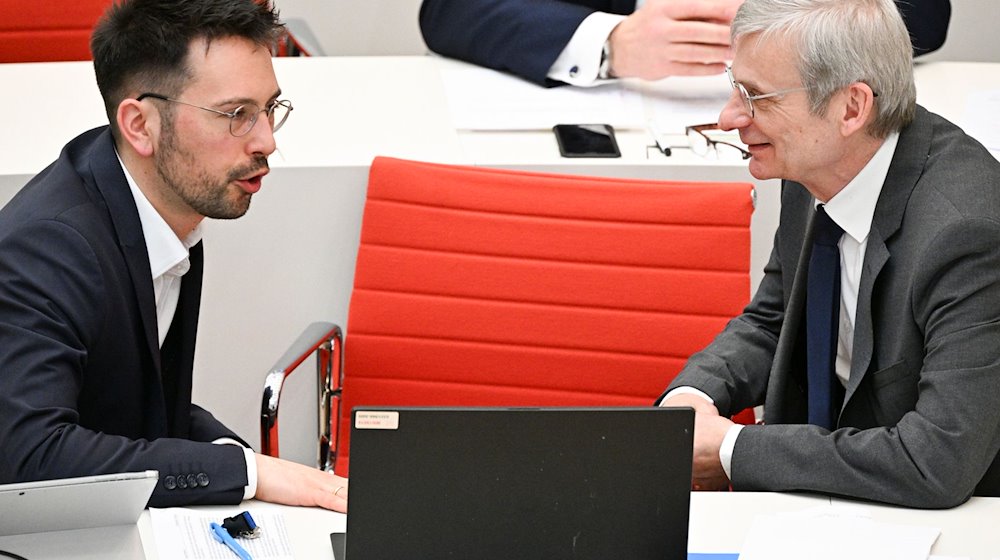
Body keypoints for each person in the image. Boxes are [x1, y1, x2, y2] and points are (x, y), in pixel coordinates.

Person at [0, 0, 348, 511]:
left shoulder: (165, 208)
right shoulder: (52, 248)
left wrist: (246, 463)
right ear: (140, 125)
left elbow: (144, 407)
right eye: (236, 115)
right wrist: (249, 473)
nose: (267, 141)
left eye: (269, 108)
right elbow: (28, 457)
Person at [657, 0, 1000, 509]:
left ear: (851, 108)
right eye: (735, 85)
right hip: (823, 493)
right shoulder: (814, 162)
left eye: (757, 97)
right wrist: (693, 400)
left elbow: (938, 462)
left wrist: (731, 449)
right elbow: (773, 320)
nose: (730, 117)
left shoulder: (967, 233)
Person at [418, 0, 951, 87]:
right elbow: (450, 10)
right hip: (619, 124)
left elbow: (924, 14)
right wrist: (609, 42)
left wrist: (791, 17)